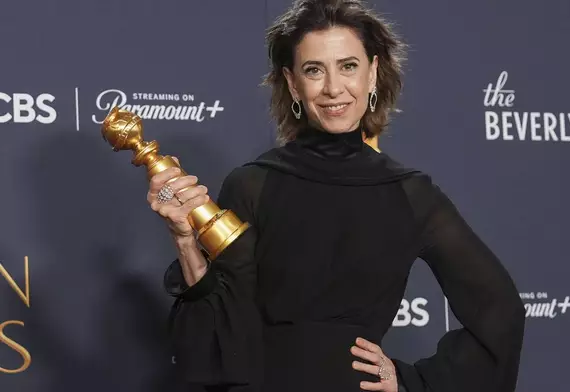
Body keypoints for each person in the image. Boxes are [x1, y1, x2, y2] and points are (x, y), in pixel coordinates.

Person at [148, 1, 525, 391]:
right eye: (314, 70)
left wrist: (412, 382)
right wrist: (184, 239)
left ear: (373, 73)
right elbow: (222, 333)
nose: (333, 88)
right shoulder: (254, 185)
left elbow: (502, 312)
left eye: (348, 66)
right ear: (293, 83)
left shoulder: (410, 194)